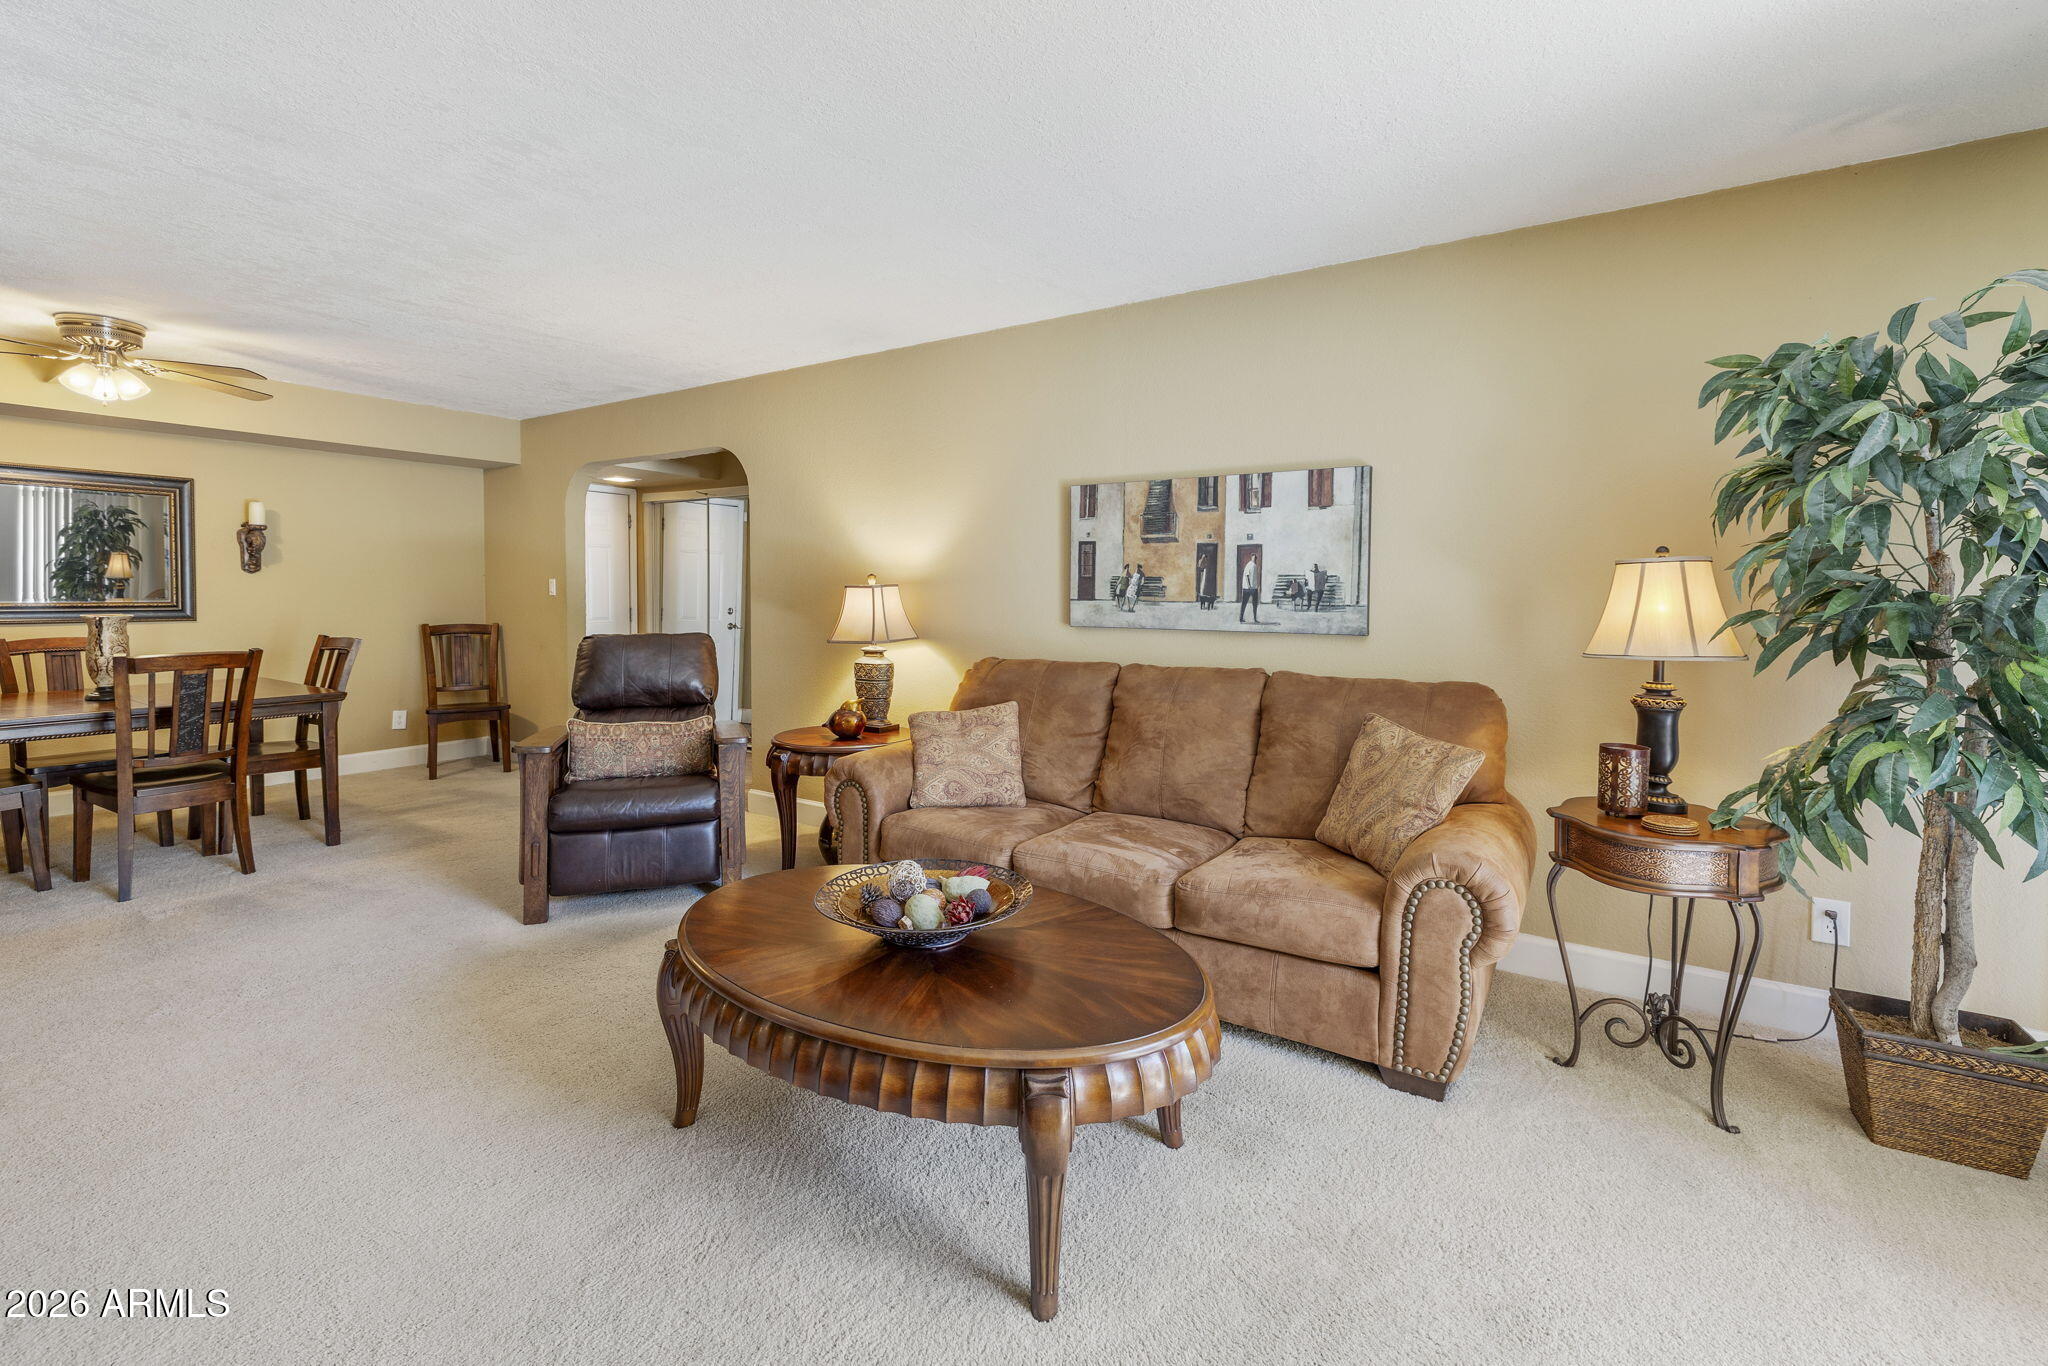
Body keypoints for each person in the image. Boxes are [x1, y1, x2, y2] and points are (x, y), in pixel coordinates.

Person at [1237, 557, 1261, 623]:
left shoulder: (1254, 565)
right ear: (1251, 558)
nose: (1255, 559)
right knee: (1245, 603)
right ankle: (1242, 618)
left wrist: (1256, 586)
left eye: (1255, 558)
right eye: (1254, 558)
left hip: (1253, 588)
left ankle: (1254, 618)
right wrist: (1249, 585)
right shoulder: (1249, 565)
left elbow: (1254, 577)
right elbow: (1247, 575)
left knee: (1253, 604)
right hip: (1248, 588)